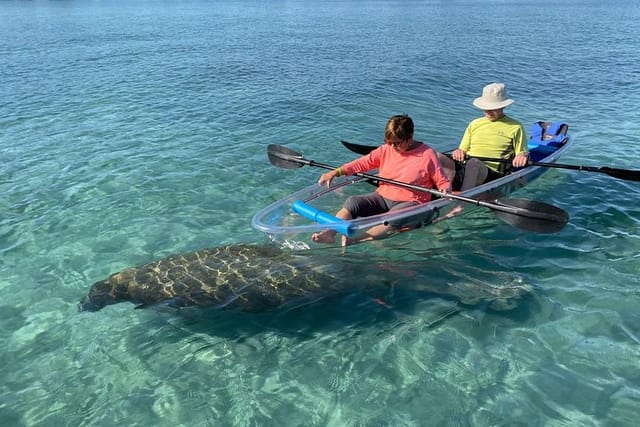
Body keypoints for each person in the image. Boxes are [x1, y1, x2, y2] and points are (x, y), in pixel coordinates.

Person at [311, 114, 451, 246]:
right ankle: (329, 233)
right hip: (383, 196)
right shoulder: (386, 149)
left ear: (409, 138)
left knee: (394, 217)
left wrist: (445, 189)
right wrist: (336, 172)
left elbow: (442, 180)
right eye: (388, 142)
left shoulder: (427, 154)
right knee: (353, 202)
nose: (391, 147)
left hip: (412, 201)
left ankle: (355, 240)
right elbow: (362, 163)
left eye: (396, 143)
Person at [438, 83, 528, 191]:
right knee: (436, 156)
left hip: (491, 173)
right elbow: (462, 149)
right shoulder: (474, 124)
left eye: (492, 108)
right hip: (466, 168)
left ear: (503, 106)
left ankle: (461, 203)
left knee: (473, 163)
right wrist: (459, 152)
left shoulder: (515, 127)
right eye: (485, 108)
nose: (487, 112)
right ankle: (438, 191)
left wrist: (522, 156)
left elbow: (522, 152)